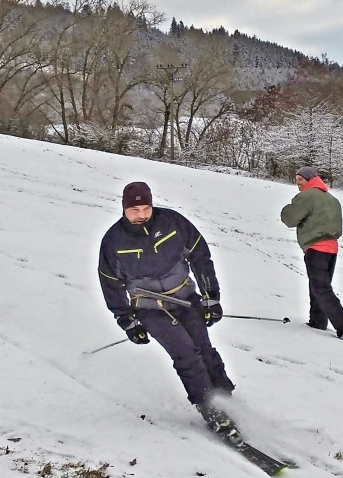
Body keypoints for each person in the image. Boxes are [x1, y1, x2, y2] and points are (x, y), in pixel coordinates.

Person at [98, 181, 238, 436]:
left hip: (185, 297)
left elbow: (200, 256)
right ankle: (209, 408)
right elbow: (110, 283)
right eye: (134, 210)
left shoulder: (172, 222)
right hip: (150, 308)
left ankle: (224, 397)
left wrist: (211, 297)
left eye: (146, 208)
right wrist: (127, 320)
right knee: (186, 354)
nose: (141, 215)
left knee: (204, 348)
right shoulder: (113, 240)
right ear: (124, 209)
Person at [280, 166, 343, 342]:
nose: (298, 183)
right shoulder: (332, 199)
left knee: (320, 288)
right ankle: (317, 322)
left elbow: (290, 219)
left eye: (300, 179)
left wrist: (286, 210)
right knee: (319, 286)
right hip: (332, 248)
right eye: (296, 180)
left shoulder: (308, 196)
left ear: (310, 179)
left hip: (316, 247)